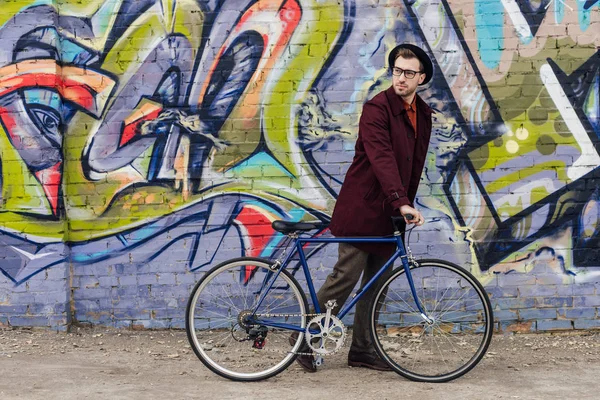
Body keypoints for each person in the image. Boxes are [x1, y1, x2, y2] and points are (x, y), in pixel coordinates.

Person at [295, 43, 434, 372]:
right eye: (397, 70)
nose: (400, 78)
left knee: (377, 284)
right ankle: (304, 339)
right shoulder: (376, 109)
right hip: (364, 208)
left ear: (421, 77)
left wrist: (403, 204)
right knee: (345, 277)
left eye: (408, 73)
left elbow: (413, 164)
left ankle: (362, 349)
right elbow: (382, 158)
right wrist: (402, 202)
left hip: (392, 212)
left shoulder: (423, 114)